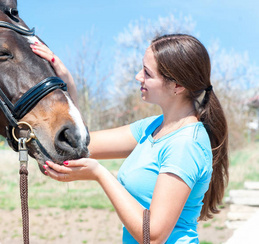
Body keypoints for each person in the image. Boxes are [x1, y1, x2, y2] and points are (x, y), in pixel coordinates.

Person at [30, 34, 229, 243]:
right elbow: (82, 145)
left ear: (177, 86)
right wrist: (67, 82)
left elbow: (152, 235)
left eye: (147, 73)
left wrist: (100, 175)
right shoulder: (152, 127)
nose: (138, 76)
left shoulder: (186, 144)